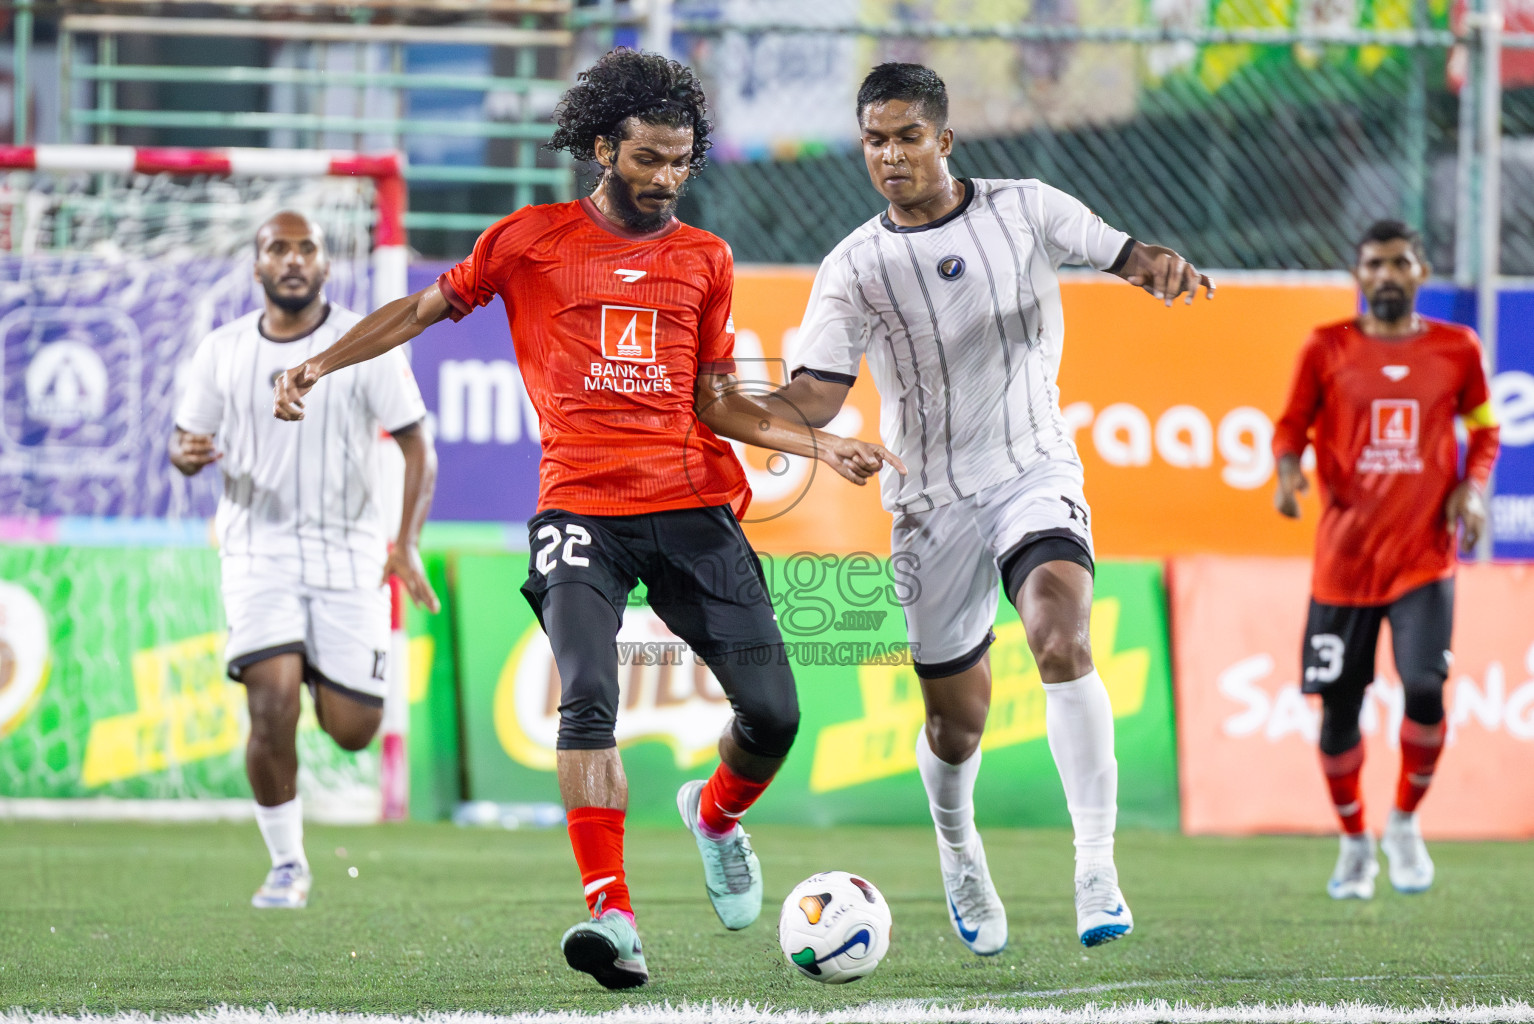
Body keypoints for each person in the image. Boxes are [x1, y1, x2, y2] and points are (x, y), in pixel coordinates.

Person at [273, 50, 901, 990]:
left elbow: (718, 402)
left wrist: (819, 446)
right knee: (587, 697)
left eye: (681, 160)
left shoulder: (705, 259)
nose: (665, 178)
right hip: (580, 506)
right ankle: (613, 915)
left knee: (773, 716)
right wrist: (319, 365)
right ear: (603, 146)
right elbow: (419, 306)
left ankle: (717, 818)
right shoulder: (530, 241)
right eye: (647, 158)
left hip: (692, 506)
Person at [767, 63, 1213, 953]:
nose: (889, 155)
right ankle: (958, 844)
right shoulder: (853, 266)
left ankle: (1095, 865)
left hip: (1031, 470)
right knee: (954, 724)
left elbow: (1126, 253)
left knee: (1061, 632)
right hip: (929, 504)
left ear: (945, 139)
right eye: (874, 140)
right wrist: (736, 412)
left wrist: (1155, 265)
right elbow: (816, 394)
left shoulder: (1028, 207)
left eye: (906, 137)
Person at [170, 210, 439, 910]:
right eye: (277, 249)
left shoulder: (365, 344)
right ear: (257, 265)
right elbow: (183, 441)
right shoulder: (220, 351)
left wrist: (404, 541)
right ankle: (287, 864)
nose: (292, 260)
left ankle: (315, 660)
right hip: (256, 550)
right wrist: (185, 453)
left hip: (349, 553)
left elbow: (419, 448)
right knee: (272, 702)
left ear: (325, 264)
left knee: (354, 730)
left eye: (306, 248)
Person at [1272, 220, 1499, 900]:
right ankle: (1353, 844)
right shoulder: (1326, 348)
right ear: (1359, 274)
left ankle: (1403, 824)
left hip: (1423, 558)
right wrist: (1287, 474)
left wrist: (1473, 488)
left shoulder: (1457, 348)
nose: (1387, 275)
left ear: (1420, 272)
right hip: (1343, 565)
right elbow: (1290, 427)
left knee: (1425, 687)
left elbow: (1486, 431)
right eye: (1375, 264)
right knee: (1340, 714)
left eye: (1400, 263)